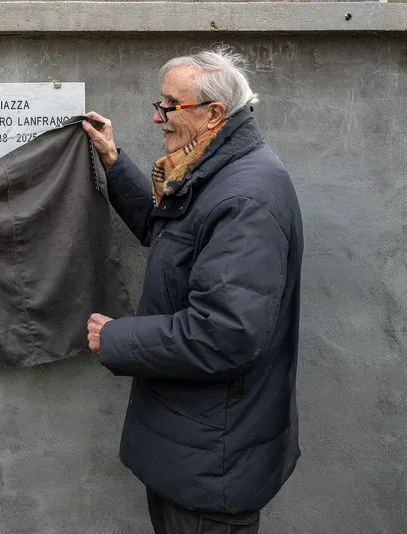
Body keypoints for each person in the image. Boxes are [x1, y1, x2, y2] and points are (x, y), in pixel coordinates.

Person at [83, 46, 303, 533]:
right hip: (198, 449)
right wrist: (114, 162)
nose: (159, 116)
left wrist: (119, 338)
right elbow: (169, 234)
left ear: (213, 114)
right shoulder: (212, 172)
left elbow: (226, 332)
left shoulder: (244, 197)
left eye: (169, 105)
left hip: (212, 463)